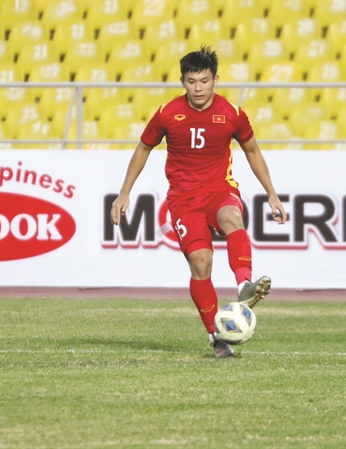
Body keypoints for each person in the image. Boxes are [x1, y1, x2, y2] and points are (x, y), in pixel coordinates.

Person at [111, 46, 287, 358]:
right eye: (191, 81)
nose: (198, 88)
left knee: (232, 217)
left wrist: (272, 193)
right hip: (183, 199)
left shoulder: (232, 113)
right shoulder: (167, 113)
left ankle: (245, 284)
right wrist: (124, 193)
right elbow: (142, 149)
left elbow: (252, 151)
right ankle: (216, 337)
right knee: (200, 263)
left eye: (204, 80)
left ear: (215, 79)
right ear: (182, 81)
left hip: (220, 190)